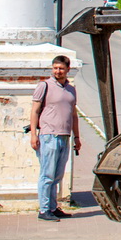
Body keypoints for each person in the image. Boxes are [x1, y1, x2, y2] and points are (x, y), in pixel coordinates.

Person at [29, 55, 80, 222]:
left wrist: (77, 137)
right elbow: (35, 111)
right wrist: (33, 135)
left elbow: (73, 114)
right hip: (49, 135)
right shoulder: (44, 86)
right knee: (47, 174)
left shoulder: (71, 90)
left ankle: (52, 207)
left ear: (67, 70)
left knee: (57, 175)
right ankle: (44, 210)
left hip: (65, 136)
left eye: (61, 69)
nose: (58, 71)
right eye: (55, 68)